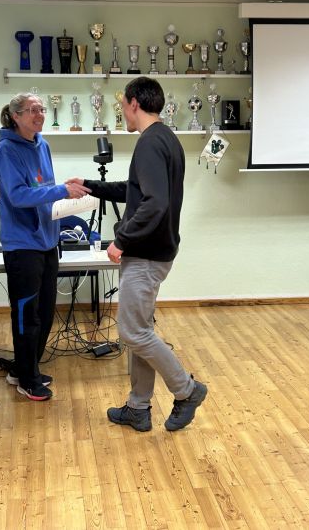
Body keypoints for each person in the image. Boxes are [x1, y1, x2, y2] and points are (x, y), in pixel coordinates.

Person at [68, 76, 207, 432]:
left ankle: (187, 390)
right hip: (156, 250)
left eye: (122, 107)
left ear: (133, 103)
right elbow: (136, 191)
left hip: (145, 253)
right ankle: (137, 407)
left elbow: (154, 203)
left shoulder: (149, 143)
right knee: (141, 330)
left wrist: (122, 240)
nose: (122, 113)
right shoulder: (165, 138)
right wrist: (92, 186)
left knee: (133, 333)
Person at [0, 93, 89, 402]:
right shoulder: (6, 150)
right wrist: (61, 190)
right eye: (32, 110)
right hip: (22, 246)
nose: (40, 114)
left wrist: (64, 194)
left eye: (42, 109)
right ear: (16, 116)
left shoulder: (42, 144)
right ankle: (28, 379)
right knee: (27, 316)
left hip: (48, 241)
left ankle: (25, 369)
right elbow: (18, 195)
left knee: (46, 313)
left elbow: (45, 190)